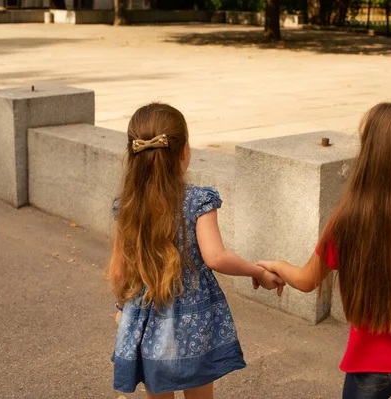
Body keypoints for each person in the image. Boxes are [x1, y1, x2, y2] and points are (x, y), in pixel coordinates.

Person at [256, 102, 391, 399]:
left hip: (371, 364)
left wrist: (277, 265)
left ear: (370, 155)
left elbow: (307, 281)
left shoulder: (348, 221)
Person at [108, 103, 284, 399]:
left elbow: (119, 269)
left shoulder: (127, 206)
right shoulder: (198, 200)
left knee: (158, 391)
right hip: (196, 321)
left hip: (148, 317)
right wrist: (258, 271)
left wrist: (121, 308)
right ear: (184, 150)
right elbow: (216, 257)